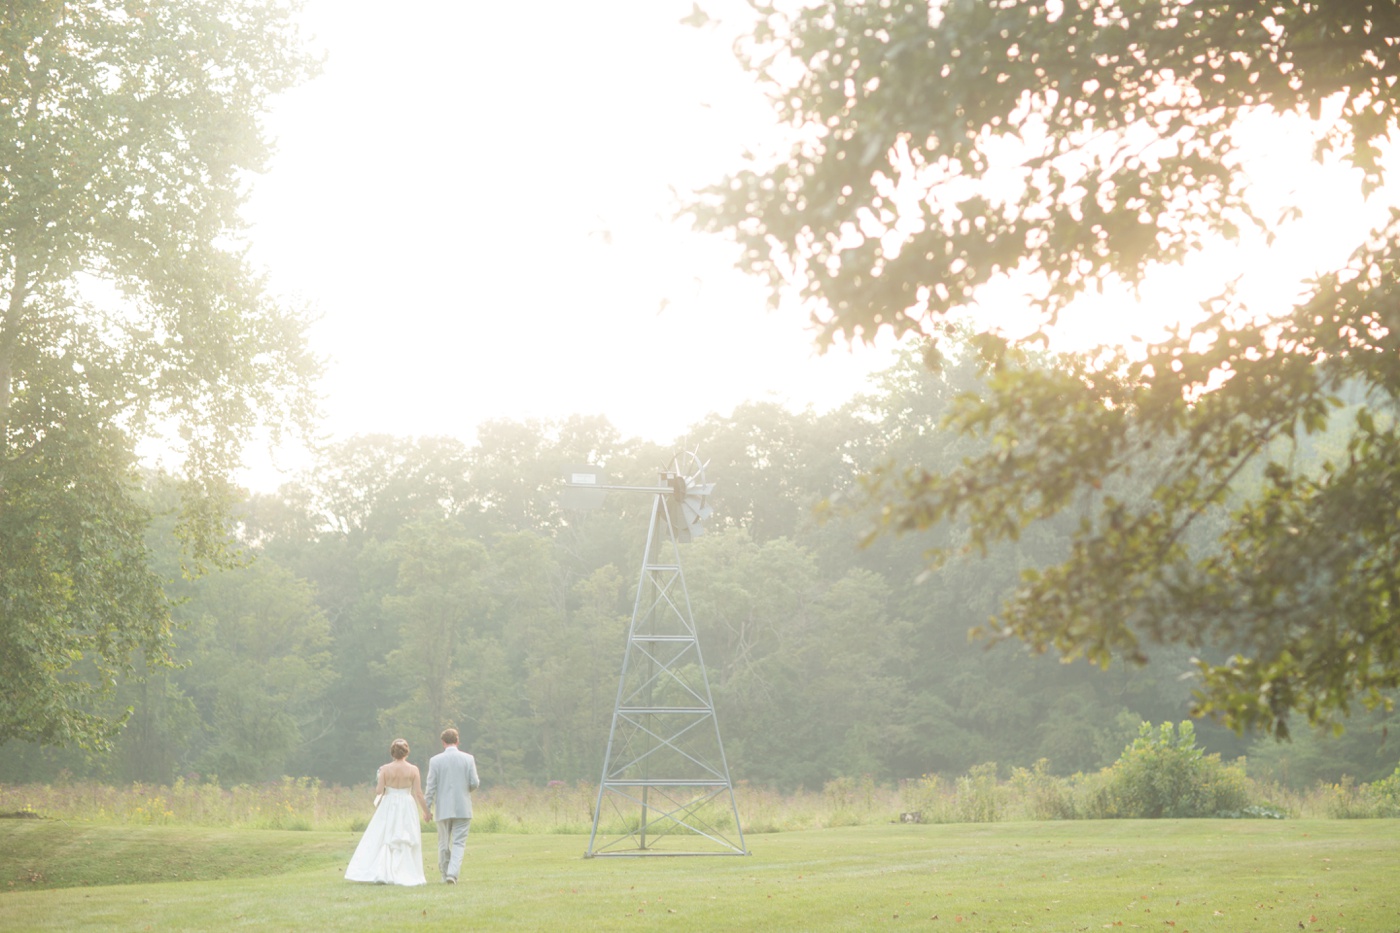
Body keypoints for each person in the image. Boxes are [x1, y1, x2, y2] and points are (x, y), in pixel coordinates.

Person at [344, 738, 432, 886]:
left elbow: (379, 791)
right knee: (404, 835)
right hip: (406, 803)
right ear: (406, 752)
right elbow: (418, 793)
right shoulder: (413, 769)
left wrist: (383, 782)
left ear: (392, 752)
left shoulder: (385, 769)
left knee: (385, 835)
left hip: (389, 802)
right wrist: (426, 812)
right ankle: (404, 871)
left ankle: (383, 871)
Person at [424, 726, 480, 884]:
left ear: (443, 742)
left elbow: (431, 787)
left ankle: (444, 874)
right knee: (459, 843)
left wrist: (427, 808)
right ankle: (452, 874)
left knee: (443, 843)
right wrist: (466, 789)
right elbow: (474, 782)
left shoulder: (435, 761)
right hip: (463, 806)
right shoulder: (468, 758)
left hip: (443, 807)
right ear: (457, 741)